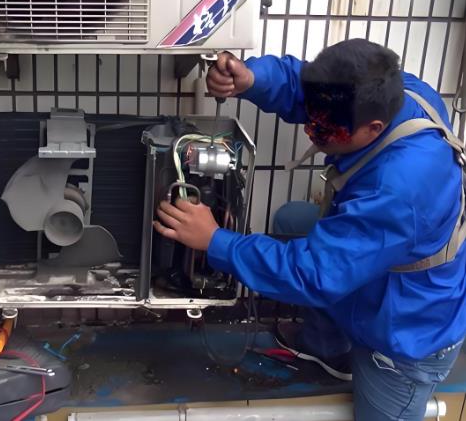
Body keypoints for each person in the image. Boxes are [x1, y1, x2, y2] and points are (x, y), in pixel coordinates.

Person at [153, 38, 466, 420]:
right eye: (311, 117)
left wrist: (216, 241)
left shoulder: (400, 188)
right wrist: (251, 78)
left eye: (324, 130)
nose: (310, 132)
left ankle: (360, 359)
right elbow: (302, 83)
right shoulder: (395, 92)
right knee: (293, 221)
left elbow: (313, 272)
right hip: (384, 259)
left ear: (374, 128)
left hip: (408, 333)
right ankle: (327, 350)